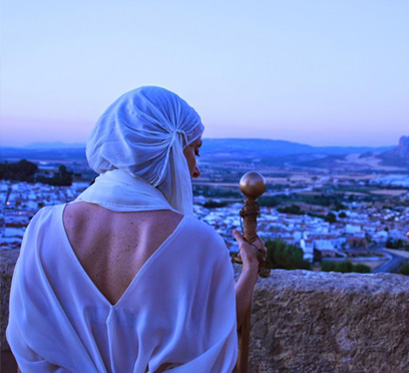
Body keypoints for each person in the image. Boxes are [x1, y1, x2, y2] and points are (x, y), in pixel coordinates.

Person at [7, 86, 264, 372]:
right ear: (170, 149)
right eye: (195, 151)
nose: (196, 170)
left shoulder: (43, 231)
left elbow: (28, 350)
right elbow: (217, 332)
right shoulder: (200, 244)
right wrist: (250, 267)